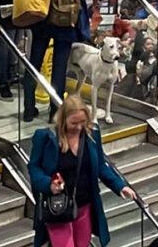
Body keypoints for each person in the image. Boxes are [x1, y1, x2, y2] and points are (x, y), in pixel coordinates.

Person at [27, 95, 136, 247]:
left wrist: (120, 186)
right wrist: (49, 184)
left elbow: (100, 166)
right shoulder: (45, 137)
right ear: (63, 119)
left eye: (83, 122)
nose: (79, 127)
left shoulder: (92, 135)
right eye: (74, 123)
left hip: (84, 204)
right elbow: (34, 168)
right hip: (57, 207)